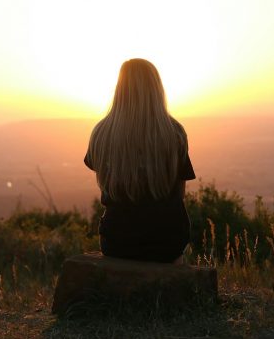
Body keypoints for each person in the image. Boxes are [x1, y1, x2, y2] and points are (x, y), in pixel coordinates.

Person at [84, 58, 196, 263]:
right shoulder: (175, 133)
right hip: (167, 242)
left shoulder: (101, 133)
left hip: (117, 241)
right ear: (156, 89)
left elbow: (106, 185)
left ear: (119, 88)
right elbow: (179, 195)